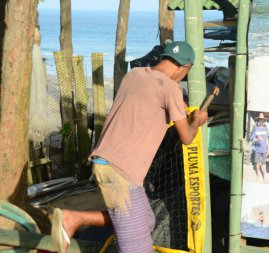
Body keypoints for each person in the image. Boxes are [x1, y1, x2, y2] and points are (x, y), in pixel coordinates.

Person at [50, 41, 208, 253]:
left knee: (147, 221)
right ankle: (72, 219)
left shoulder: (134, 75)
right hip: (121, 175)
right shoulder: (171, 88)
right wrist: (197, 120)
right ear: (184, 68)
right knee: (137, 248)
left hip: (104, 162)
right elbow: (187, 138)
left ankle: (74, 218)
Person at [250, 113, 269, 182]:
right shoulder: (255, 128)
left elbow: (267, 139)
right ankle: (258, 176)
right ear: (258, 120)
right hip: (257, 149)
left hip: (264, 149)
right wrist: (257, 139)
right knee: (257, 162)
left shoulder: (266, 128)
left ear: (264, 121)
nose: (261, 121)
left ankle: (264, 176)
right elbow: (252, 139)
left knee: (264, 163)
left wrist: (268, 148)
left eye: (262, 120)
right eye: (260, 120)